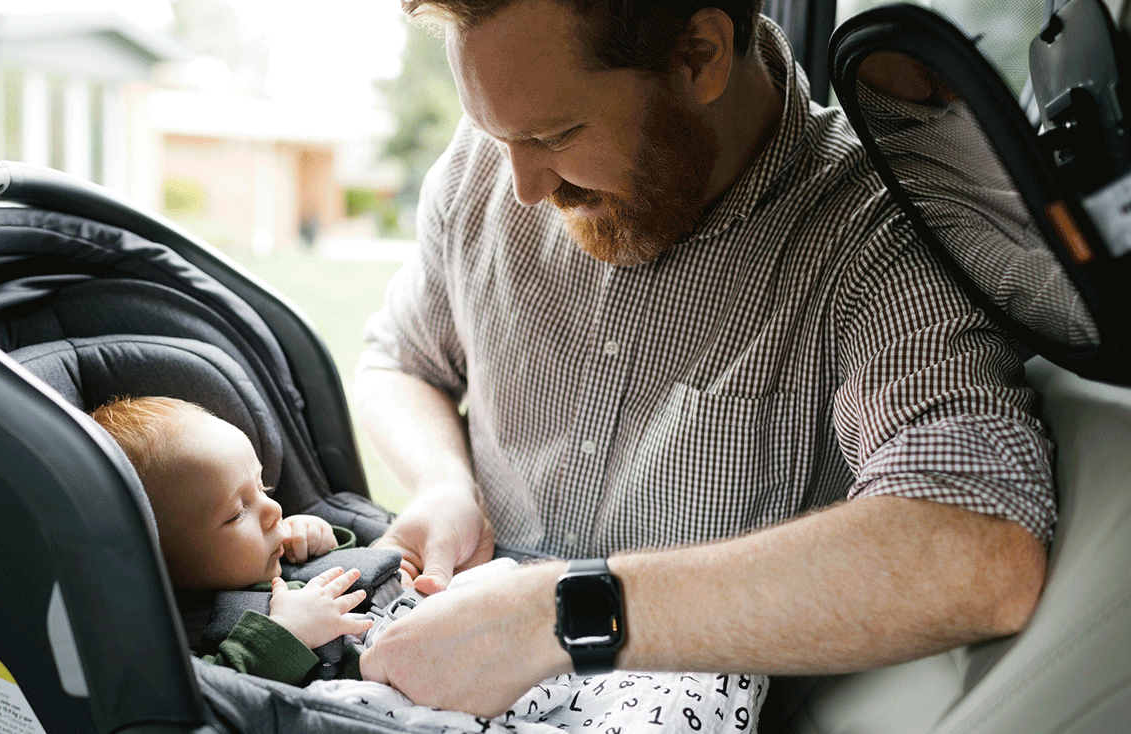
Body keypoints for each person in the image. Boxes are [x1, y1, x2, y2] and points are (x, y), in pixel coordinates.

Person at [354, 0, 1056, 719]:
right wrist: (445, 486)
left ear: (699, 55)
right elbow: (400, 361)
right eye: (495, 133)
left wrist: (558, 615)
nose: (525, 188)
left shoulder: (874, 238)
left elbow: (978, 551)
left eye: (557, 134)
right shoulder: (493, 161)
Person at [90, 396, 373, 685]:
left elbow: (346, 582)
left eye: (262, 487)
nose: (274, 510)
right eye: (237, 514)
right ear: (161, 562)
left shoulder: (269, 557)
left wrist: (320, 540)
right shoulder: (186, 636)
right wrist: (287, 631)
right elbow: (223, 694)